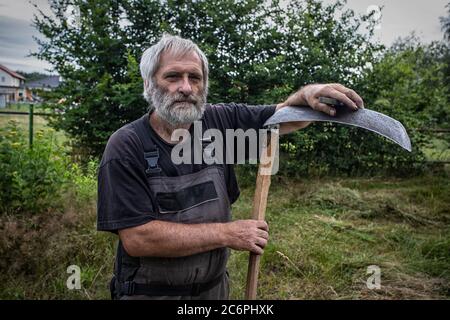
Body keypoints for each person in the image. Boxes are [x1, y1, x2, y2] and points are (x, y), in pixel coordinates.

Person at [97, 34, 364, 300]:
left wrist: (309, 94)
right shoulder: (126, 146)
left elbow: (284, 118)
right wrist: (228, 233)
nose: (186, 88)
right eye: (173, 76)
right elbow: (138, 238)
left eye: (195, 77)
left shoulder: (219, 121)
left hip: (214, 292)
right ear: (149, 83)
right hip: (151, 295)